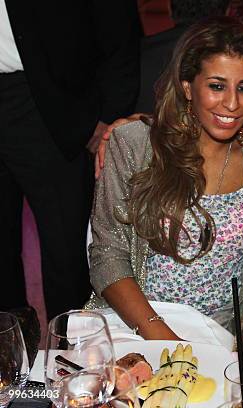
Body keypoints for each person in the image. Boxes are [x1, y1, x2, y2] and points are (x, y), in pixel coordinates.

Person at [86, 17, 243, 339]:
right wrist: (164, 339)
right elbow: (108, 256)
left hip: (225, 334)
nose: (232, 103)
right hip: (137, 324)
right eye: (217, 86)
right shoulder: (135, 144)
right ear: (188, 87)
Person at [0, 0, 141, 320]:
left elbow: (117, 25)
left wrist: (109, 114)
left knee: (66, 255)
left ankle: (72, 359)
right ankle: (11, 362)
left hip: (49, 102)